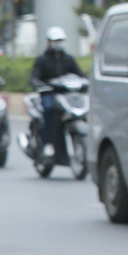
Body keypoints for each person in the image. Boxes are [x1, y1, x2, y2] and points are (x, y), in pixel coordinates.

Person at [29, 26, 84, 161]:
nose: (58, 43)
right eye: (55, 41)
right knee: (49, 110)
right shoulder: (42, 60)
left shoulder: (69, 59)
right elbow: (34, 78)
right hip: (49, 93)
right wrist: (42, 85)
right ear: (49, 41)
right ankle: (48, 143)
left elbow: (80, 75)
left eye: (60, 40)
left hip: (66, 95)